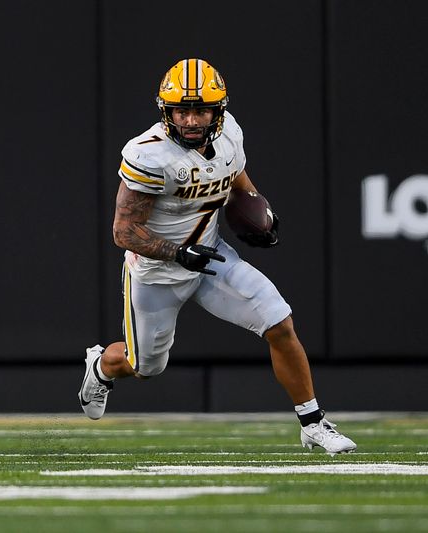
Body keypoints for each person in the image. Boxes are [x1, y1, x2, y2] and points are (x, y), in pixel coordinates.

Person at [78, 58, 356, 455]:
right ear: (166, 112)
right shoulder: (149, 155)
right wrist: (177, 252)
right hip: (157, 273)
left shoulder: (229, 138)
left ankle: (313, 423)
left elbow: (235, 176)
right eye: (182, 110)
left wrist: (259, 207)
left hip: (209, 257)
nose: (191, 120)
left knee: (278, 321)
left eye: (201, 110)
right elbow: (123, 232)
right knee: (145, 367)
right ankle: (101, 366)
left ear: (218, 112)